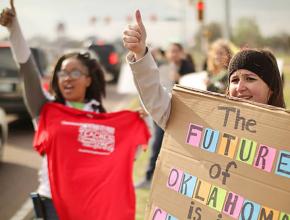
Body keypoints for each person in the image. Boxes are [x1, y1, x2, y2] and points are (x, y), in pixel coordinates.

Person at [1, 3, 150, 220]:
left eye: (75, 72)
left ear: (89, 79)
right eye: (62, 73)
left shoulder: (102, 117)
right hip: (52, 206)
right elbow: (28, 70)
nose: (67, 77)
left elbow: (127, 157)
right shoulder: (46, 110)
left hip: (92, 208)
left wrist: (140, 122)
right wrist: (14, 29)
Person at [122, 9, 285, 132]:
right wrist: (140, 53)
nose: (240, 87)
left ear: (271, 88)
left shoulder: (283, 134)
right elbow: (159, 103)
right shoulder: (211, 122)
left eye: (250, 78)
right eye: (234, 80)